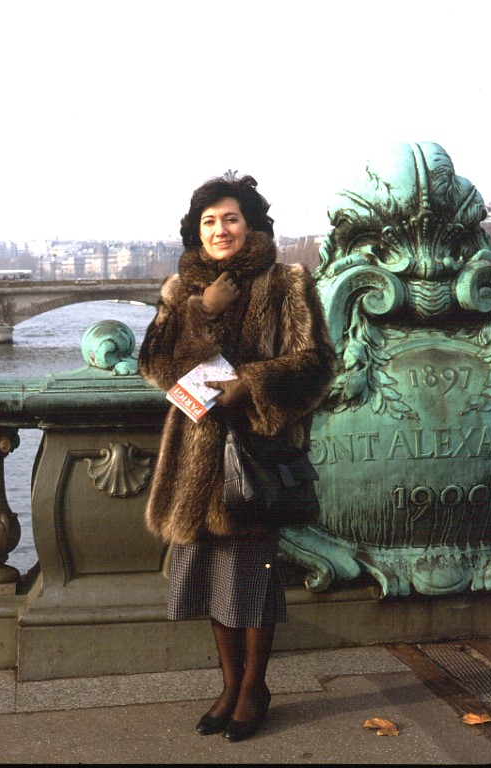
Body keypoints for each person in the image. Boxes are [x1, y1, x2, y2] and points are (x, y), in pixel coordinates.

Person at [138, 171, 335, 742]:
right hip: (194, 460)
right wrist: (201, 311)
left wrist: (251, 383)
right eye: (209, 221)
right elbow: (154, 365)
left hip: (255, 456)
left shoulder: (287, 282)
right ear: (195, 231)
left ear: (251, 226)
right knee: (209, 579)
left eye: (231, 218)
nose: (220, 229)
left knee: (252, 581)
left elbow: (318, 364)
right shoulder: (180, 291)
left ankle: (253, 688)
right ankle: (229, 685)